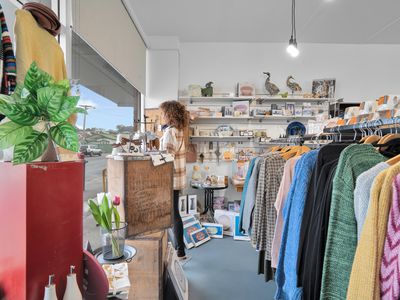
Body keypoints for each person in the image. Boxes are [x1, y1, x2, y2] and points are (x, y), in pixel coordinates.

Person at [160, 100, 190, 261]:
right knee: (174, 213)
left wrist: (153, 157)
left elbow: (166, 156)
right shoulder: (178, 131)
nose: (161, 116)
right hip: (176, 179)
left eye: (163, 113)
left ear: (169, 115)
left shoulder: (170, 132)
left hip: (169, 179)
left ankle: (180, 251)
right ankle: (180, 250)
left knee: (173, 214)